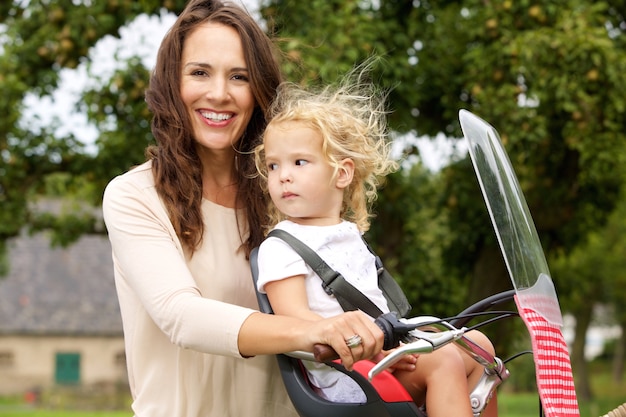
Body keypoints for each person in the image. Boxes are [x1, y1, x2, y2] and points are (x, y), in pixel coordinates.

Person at [102, 1, 384, 416]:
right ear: (170, 83)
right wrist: (311, 331)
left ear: (258, 92)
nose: (219, 93)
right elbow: (182, 316)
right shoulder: (135, 196)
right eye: (199, 72)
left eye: (239, 77)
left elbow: (346, 303)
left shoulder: (287, 195)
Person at [254, 64, 500, 417]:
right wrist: (374, 350)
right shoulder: (282, 246)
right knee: (445, 360)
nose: (284, 176)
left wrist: (400, 340)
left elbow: (377, 308)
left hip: (379, 355)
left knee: (479, 347)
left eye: (299, 162)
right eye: (274, 166)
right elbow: (297, 323)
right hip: (343, 372)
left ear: (342, 173)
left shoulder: (349, 237)